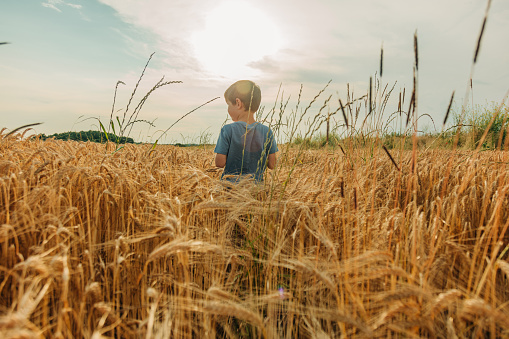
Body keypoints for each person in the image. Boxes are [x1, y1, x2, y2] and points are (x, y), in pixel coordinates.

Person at [214, 80, 278, 183]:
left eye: (229, 104)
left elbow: (219, 163)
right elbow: (273, 164)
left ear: (238, 103)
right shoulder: (267, 132)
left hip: (229, 190)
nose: (228, 108)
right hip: (257, 191)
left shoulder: (227, 130)